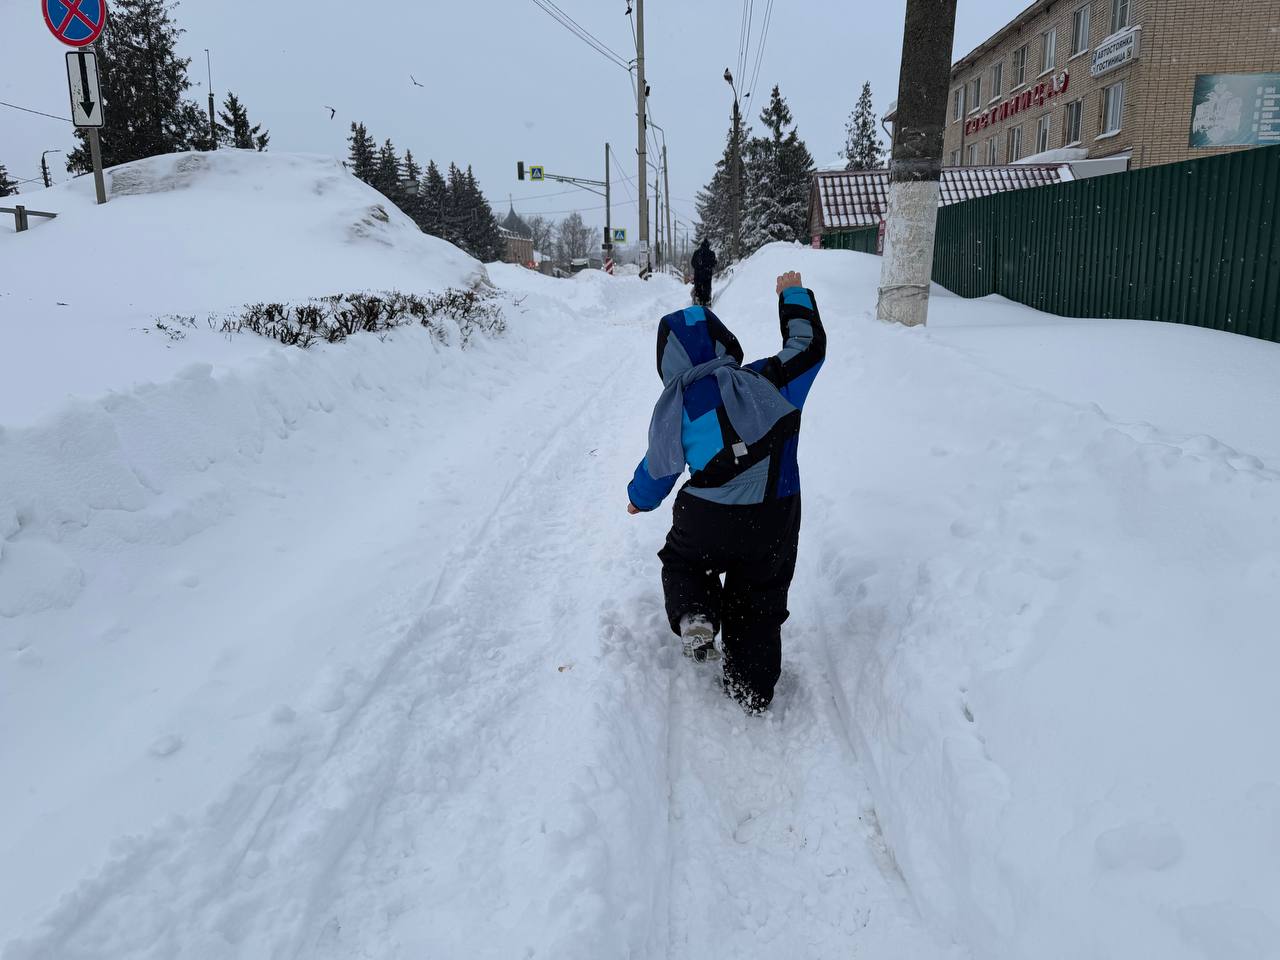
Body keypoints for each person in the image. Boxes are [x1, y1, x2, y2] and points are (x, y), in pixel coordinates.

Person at [625, 270, 826, 713]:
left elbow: (657, 471)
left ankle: (696, 611)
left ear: (668, 362)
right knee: (759, 596)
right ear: (724, 341)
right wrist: (791, 294)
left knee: (683, 561)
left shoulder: (677, 409)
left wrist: (638, 499)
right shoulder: (770, 382)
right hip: (775, 515)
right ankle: (751, 689)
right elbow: (808, 349)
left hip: (708, 519)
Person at [691, 239, 716, 306]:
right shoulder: (711, 253)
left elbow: (692, 263)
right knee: (707, 288)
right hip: (707, 274)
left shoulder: (696, 253)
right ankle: (706, 301)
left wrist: (697, 268)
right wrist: (708, 267)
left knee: (698, 287)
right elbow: (714, 263)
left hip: (698, 274)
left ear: (701, 245)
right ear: (708, 245)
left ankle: (697, 300)